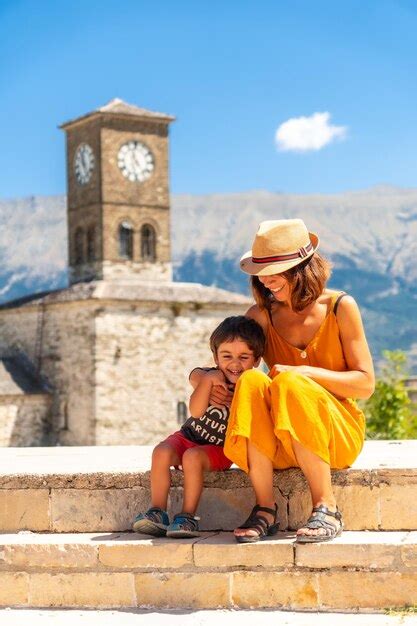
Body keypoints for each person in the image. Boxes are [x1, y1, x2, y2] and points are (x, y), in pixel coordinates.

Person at [200, 219, 375, 544]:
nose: (265, 280)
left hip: (335, 438)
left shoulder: (340, 307)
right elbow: (236, 363)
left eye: (275, 270)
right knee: (253, 380)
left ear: (302, 268)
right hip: (280, 440)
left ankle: (327, 506)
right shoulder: (261, 316)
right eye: (261, 272)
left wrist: (304, 374)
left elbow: (365, 384)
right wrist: (207, 379)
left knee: (291, 384)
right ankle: (265, 508)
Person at [132, 315, 266, 539]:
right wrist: (207, 381)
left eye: (244, 357)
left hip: (219, 448)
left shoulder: (251, 387)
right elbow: (195, 412)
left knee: (192, 457)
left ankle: (187, 517)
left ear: (257, 360)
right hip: (188, 435)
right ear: (215, 356)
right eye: (226, 356)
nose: (234, 364)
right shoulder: (210, 376)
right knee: (161, 452)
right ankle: (157, 511)